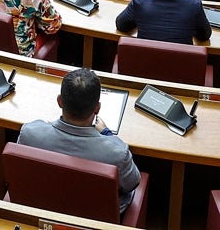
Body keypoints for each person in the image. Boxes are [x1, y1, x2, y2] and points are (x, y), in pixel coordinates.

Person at [18, 69, 141, 215]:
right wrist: (107, 133)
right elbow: (132, 183)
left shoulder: (29, 133)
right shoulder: (118, 153)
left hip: (41, 209)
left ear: (59, 101)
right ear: (97, 109)